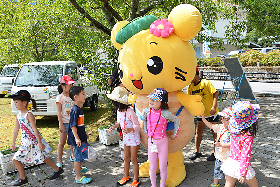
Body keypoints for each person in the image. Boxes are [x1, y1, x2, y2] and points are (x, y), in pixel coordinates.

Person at [10, 90, 63, 186]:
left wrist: (39, 142)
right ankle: (57, 169)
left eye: (16, 102)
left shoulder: (29, 115)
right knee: (42, 157)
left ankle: (23, 178)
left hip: (32, 142)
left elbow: (35, 129)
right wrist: (13, 142)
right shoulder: (18, 115)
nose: (15, 104)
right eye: (14, 102)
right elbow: (16, 129)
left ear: (24, 102)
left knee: (15, 159)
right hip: (26, 142)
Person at [142, 88, 180, 187]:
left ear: (162, 103)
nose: (151, 101)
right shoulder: (146, 111)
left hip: (163, 143)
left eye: (155, 99)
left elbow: (176, 121)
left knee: (163, 167)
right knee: (153, 167)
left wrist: (174, 134)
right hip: (151, 142)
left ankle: (162, 185)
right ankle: (153, 185)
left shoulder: (165, 113)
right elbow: (144, 121)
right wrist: (145, 132)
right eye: (151, 99)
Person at [107, 86, 141, 187]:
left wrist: (130, 129)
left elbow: (137, 125)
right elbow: (119, 122)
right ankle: (126, 176)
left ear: (118, 102)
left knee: (133, 159)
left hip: (134, 138)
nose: (113, 103)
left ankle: (136, 179)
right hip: (126, 138)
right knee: (126, 158)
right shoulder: (119, 111)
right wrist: (114, 126)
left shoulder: (130, 112)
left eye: (114, 101)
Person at [221, 101, 260, 187]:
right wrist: (243, 174)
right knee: (255, 185)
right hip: (241, 165)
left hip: (231, 161)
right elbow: (245, 155)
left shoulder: (233, 129)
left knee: (228, 185)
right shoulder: (248, 137)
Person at [188, 66, 219, 161]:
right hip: (201, 114)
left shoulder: (205, 83)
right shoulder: (191, 86)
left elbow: (215, 93)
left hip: (212, 114)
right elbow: (189, 99)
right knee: (198, 132)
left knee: (215, 133)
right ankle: (196, 152)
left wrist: (213, 107)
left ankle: (216, 153)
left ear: (195, 74)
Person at [201, 107, 232, 187]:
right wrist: (203, 119)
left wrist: (222, 145)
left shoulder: (233, 131)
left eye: (227, 119)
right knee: (217, 170)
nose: (224, 121)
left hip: (229, 157)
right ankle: (215, 184)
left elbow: (233, 144)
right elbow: (211, 126)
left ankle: (230, 184)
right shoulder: (220, 127)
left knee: (229, 173)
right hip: (219, 155)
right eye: (223, 118)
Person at [67, 86, 91, 184]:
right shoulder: (75, 110)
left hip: (81, 137)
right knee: (78, 157)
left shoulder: (79, 109)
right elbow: (73, 126)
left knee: (81, 156)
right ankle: (78, 177)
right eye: (83, 94)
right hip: (77, 139)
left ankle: (76, 169)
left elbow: (80, 124)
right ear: (76, 97)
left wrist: (84, 133)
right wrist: (77, 138)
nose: (85, 96)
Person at [56, 75, 76, 168]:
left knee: (72, 141)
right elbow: (59, 112)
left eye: (71, 85)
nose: (71, 87)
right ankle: (59, 160)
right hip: (64, 123)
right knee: (62, 142)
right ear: (63, 86)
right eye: (69, 85)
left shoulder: (73, 96)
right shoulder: (60, 97)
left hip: (73, 123)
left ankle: (73, 155)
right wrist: (61, 124)